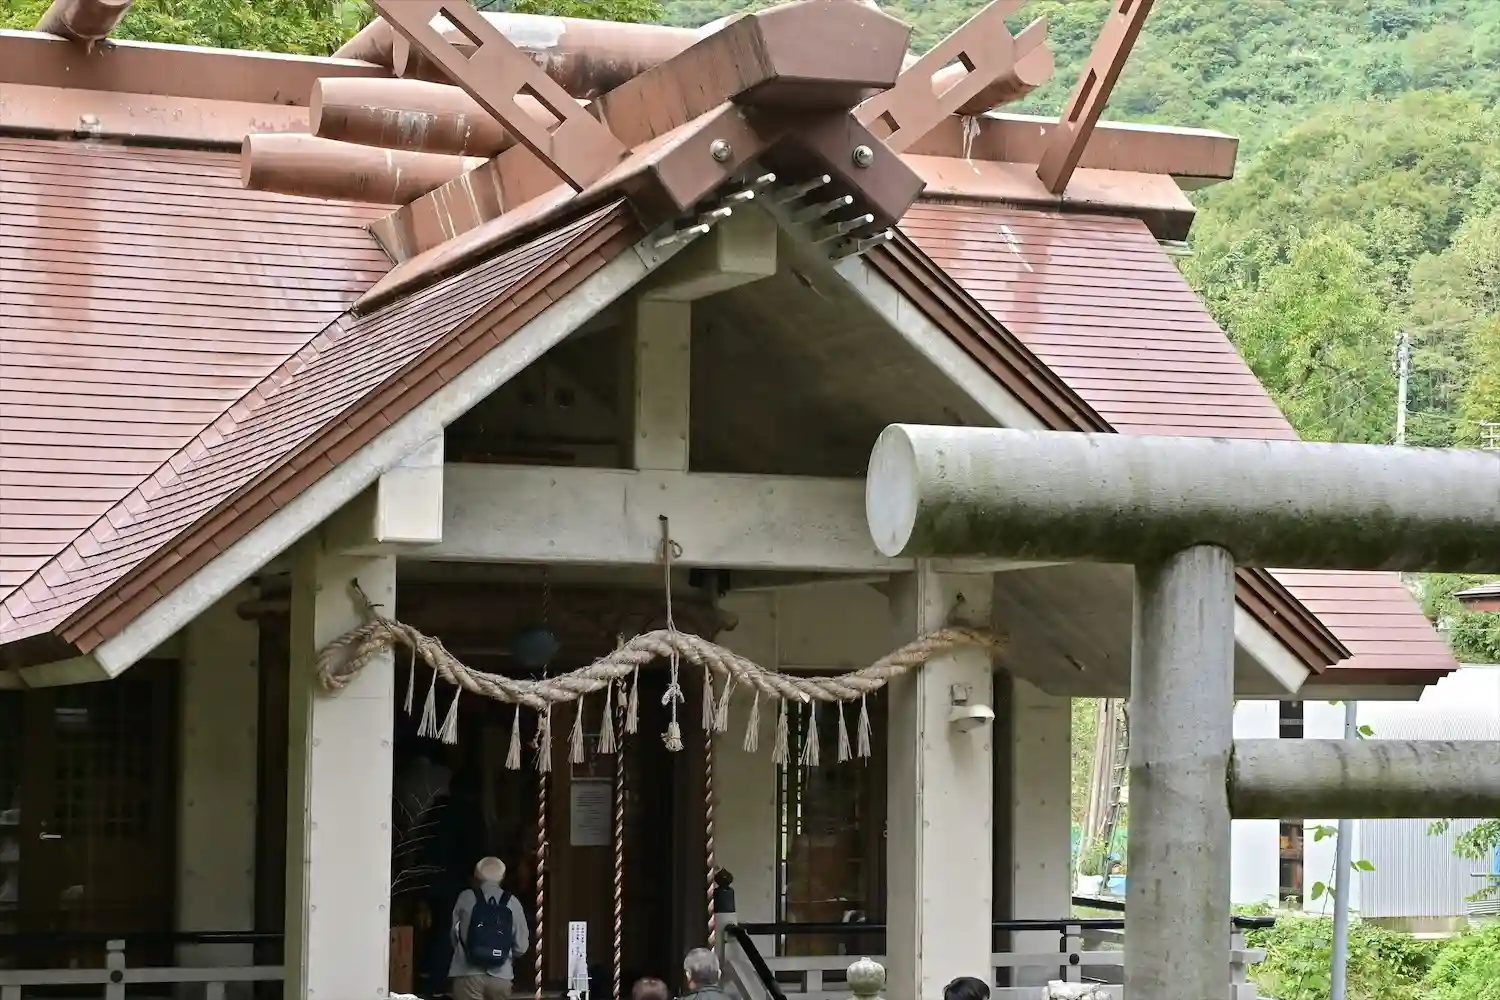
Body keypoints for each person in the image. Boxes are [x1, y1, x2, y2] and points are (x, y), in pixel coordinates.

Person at [450, 857, 530, 1000]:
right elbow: (521, 947)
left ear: (476, 875)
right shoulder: (513, 902)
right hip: (501, 976)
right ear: (503, 877)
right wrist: (502, 954)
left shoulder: (465, 898)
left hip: (467, 974)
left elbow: (454, 935)